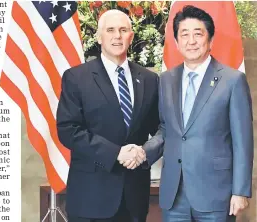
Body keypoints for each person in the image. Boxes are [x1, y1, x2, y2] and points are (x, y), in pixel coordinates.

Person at [142, 5, 254, 222]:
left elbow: (243, 141)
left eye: (198, 34)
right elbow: (167, 130)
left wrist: (240, 190)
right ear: (176, 42)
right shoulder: (166, 80)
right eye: (184, 34)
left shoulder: (232, 81)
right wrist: (143, 152)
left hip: (215, 194)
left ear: (210, 40)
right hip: (174, 195)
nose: (191, 41)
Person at [56, 9, 159, 222]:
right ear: (99, 37)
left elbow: (161, 127)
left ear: (131, 35)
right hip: (90, 199)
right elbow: (68, 130)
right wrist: (115, 153)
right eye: (110, 30)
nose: (117, 36)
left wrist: (144, 152)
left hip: (134, 199)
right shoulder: (76, 77)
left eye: (123, 30)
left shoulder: (149, 79)